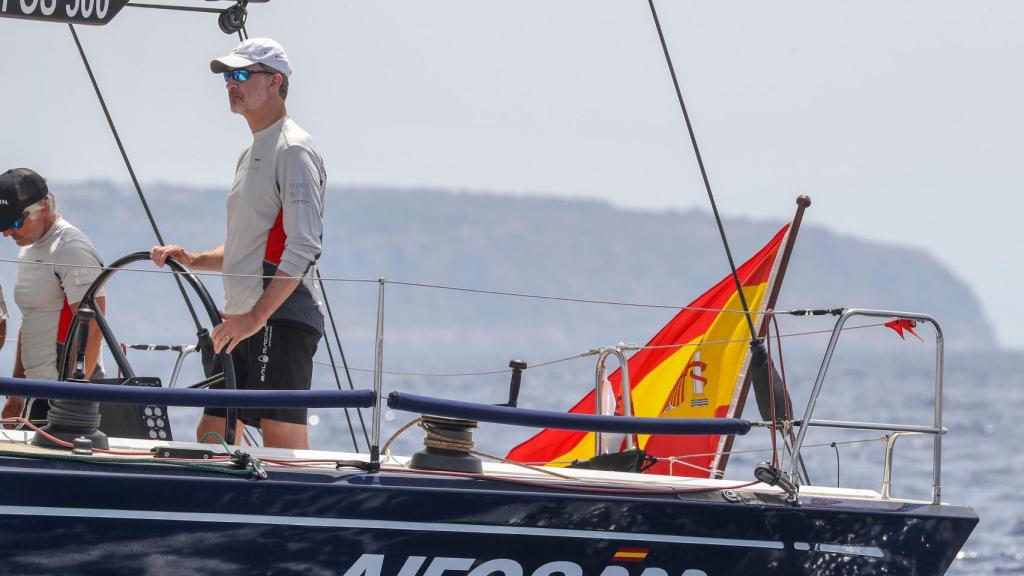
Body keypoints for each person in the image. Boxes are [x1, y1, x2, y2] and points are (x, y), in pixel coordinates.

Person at [151, 38, 326, 450]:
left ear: (274, 82)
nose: (232, 83)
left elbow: (302, 246)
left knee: (281, 441)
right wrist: (192, 258)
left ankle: (292, 514)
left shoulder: (294, 148)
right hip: (242, 315)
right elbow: (248, 245)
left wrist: (256, 319)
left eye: (242, 74)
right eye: (229, 76)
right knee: (213, 434)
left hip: (279, 316)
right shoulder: (251, 151)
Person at [0, 168, 106, 426]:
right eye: (1, 225)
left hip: (68, 395)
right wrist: (16, 391)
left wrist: (71, 396)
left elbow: (94, 325)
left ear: (43, 208)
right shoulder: (28, 248)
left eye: (14, 223)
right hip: (40, 391)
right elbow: (31, 320)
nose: (6, 233)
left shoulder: (71, 247)